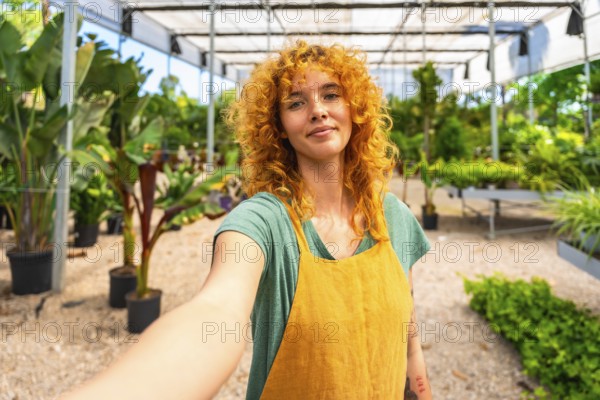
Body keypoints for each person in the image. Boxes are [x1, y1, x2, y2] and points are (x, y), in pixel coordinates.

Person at [63, 40, 432, 400]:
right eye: (296, 102)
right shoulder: (263, 221)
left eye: (331, 94)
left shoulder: (393, 217)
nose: (317, 110)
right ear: (278, 127)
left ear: (355, 107)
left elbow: (409, 341)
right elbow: (217, 311)